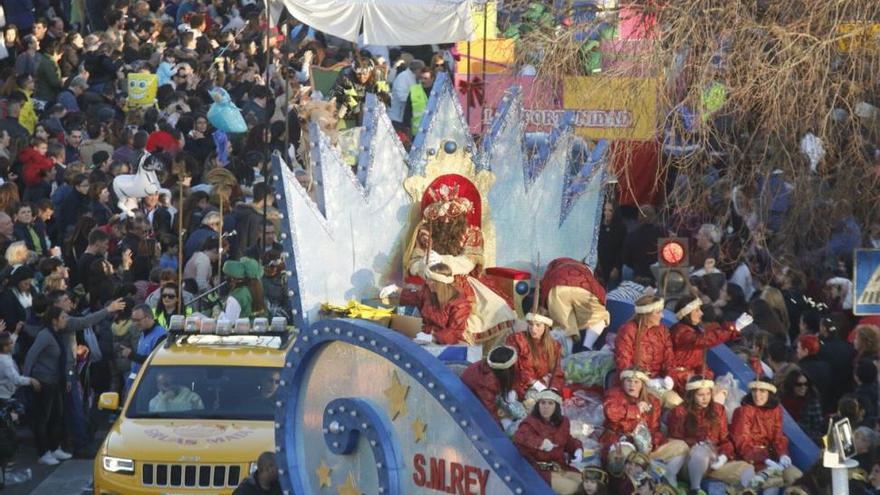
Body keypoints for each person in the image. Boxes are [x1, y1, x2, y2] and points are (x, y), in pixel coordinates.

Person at [402, 183, 515, 347]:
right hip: (432, 280)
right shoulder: (427, 231)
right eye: (442, 217)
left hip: (462, 280)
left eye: (451, 216)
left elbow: (468, 262)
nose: (447, 220)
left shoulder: (472, 232)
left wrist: (442, 261)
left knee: (497, 310)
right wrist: (425, 265)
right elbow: (414, 262)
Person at [601, 366, 689, 487]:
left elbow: (655, 428)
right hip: (621, 442)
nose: (632, 385)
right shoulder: (614, 394)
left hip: (646, 446)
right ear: (623, 382)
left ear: (642, 384)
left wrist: (652, 441)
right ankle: (628, 487)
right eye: (628, 381)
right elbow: (611, 413)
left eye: (636, 382)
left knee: (681, 446)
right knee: (624, 458)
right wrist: (635, 410)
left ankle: (669, 476)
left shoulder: (652, 400)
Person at [667, 375, 753, 494]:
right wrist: (698, 444)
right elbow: (677, 444)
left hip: (713, 464)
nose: (705, 398)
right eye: (700, 395)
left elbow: (724, 439)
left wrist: (724, 456)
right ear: (692, 395)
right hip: (689, 463)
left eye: (708, 394)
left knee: (747, 469)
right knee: (700, 452)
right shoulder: (680, 412)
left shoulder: (718, 410)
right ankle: (695, 489)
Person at [730, 378, 802, 492]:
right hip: (751, 460)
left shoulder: (776, 410)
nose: (757, 395)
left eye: (762, 391)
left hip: (773, 457)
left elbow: (778, 437)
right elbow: (742, 444)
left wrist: (783, 454)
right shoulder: (743, 411)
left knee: (797, 477)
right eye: (754, 391)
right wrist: (765, 459)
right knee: (773, 483)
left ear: (769, 393)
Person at [22, 306, 73, 465]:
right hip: (43, 382)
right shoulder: (45, 335)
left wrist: (67, 379)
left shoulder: (57, 334)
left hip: (56, 381)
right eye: (63, 317)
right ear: (54, 320)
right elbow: (31, 356)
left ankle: (55, 447)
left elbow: (61, 360)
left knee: (57, 416)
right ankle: (43, 452)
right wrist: (27, 380)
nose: (66, 320)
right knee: (43, 419)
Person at [668, 296, 750, 395]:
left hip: (691, 376)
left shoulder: (693, 329)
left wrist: (730, 327)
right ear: (687, 314)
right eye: (697, 311)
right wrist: (733, 328)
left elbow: (711, 332)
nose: (701, 313)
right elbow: (705, 339)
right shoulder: (680, 332)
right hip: (680, 379)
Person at [513, 388, 583, 495]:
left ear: (557, 406)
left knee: (585, 484)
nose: (546, 406)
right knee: (572, 488)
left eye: (550, 403)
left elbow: (567, 439)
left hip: (560, 467)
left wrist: (577, 448)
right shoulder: (530, 422)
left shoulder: (563, 422)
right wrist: (540, 443)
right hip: (539, 470)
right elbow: (520, 436)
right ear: (538, 405)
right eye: (543, 403)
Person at [614, 295, 678, 406]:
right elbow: (623, 361)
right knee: (668, 402)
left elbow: (669, 358)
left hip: (658, 381)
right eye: (657, 313)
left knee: (677, 402)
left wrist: (669, 377)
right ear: (647, 314)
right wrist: (644, 380)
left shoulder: (663, 330)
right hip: (634, 383)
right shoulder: (628, 330)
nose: (661, 316)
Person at [539, 257, 610, 351]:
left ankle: (567, 358)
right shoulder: (587, 271)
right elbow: (601, 295)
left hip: (556, 288)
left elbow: (544, 285)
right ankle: (586, 347)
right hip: (584, 287)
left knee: (565, 327)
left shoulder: (555, 266)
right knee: (600, 316)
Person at [393, 263, 472, 345]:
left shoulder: (460, 304)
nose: (427, 282)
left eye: (431, 280)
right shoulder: (429, 293)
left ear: (440, 283)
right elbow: (414, 297)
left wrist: (433, 337)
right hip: (425, 334)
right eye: (427, 279)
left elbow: (455, 332)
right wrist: (395, 289)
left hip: (446, 343)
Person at [505, 311, 564, 402]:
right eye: (531, 324)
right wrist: (537, 385)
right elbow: (517, 368)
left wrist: (553, 390)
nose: (533, 329)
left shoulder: (554, 346)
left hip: (544, 386)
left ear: (546, 326)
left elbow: (557, 371)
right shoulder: (517, 339)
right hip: (520, 386)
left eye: (538, 325)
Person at [460, 345, 524, 427]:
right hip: (471, 406)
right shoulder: (487, 383)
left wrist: (522, 395)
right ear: (506, 371)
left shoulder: (488, 365)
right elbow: (490, 414)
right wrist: (501, 434)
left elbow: (515, 380)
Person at [121, 304, 167, 390]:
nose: (135, 323)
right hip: (137, 384)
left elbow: (154, 362)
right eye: (133, 320)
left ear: (148, 317)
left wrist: (131, 355)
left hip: (149, 385)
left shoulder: (161, 335)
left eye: (137, 320)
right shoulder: (143, 332)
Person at [780, 370, 824, 444]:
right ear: (791, 385)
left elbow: (818, 427)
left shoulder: (812, 402)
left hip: (806, 441)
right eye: (799, 384)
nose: (803, 387)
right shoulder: (782, 402)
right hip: (785, 440)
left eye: (806, 384)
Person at [0, 330, 39, 400]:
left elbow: (9, 342)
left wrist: (16, 332)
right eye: (11, 343)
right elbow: (16, 379)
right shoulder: (5, 362)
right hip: (5, 396)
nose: (13, 344)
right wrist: (31, 380)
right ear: (5, 347)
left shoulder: (4, 354)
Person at [403, 67, 433, 137]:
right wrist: (406, 126)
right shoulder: (414, 90)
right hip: (417, 132)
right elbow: (408, 110)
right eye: (421, 78)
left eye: (425, 78)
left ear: (432, 79)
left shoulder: (438, 91)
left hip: (433, 131)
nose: (423, 80)